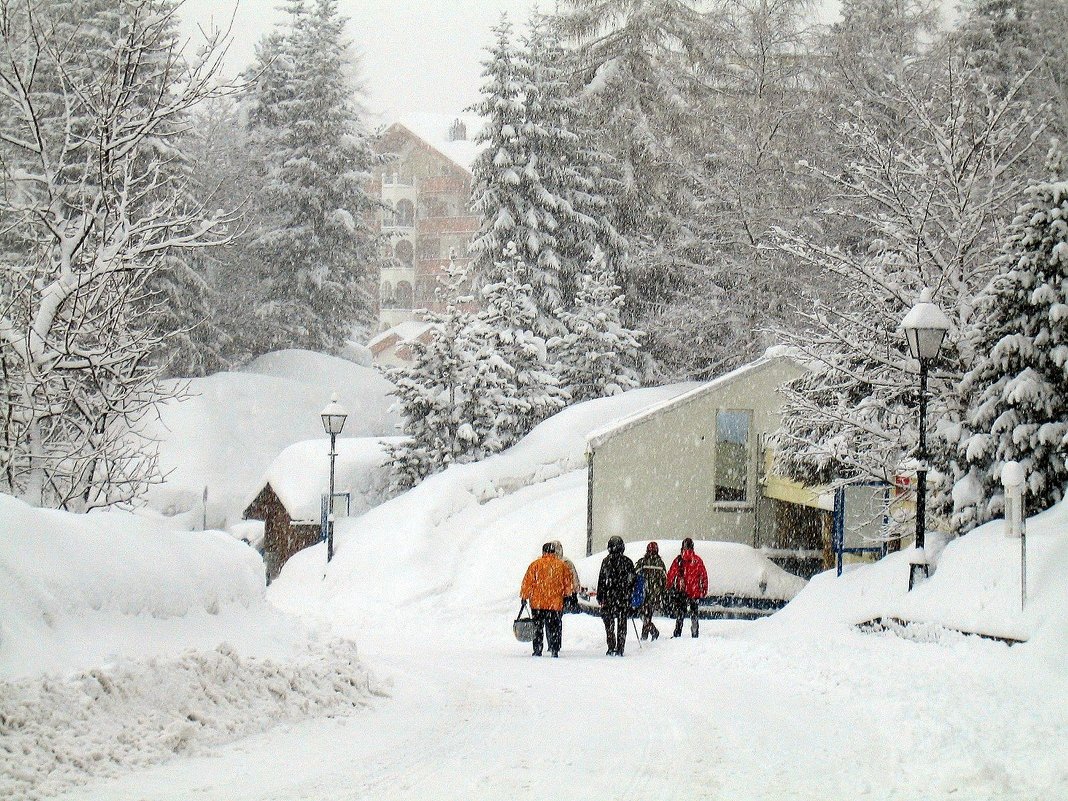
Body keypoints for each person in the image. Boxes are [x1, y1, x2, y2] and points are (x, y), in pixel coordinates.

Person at [520, 542, 573, 657]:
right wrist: (568, 596)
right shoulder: (561, 565)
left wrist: (524, 596)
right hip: (555, 603)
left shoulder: (535, 565)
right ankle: (555, 648)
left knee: (538, 627)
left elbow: (527, 582)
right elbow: (567, 583)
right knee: (555, 626)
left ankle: (538, 649)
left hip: (537, 603)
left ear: (543, 551)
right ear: (554, 552)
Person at [597, 535, 635, 656]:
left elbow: (601, 580)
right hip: (623, 597)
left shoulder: (606, 561)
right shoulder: (627, 562)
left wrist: (600, 595)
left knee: (609, 623)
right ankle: (620, 648)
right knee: (622, 622)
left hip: (609, 597)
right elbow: (632, 580)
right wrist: (629, 592)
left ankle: (611, 645)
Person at [666, 537, 708, 638]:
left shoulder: (679, 560)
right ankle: (694, 632)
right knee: (694, 613)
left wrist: (668, 586)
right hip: (695, 591)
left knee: (680, 613)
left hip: (682, 591)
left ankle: (677, 632)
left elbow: (671, 574)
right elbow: (704, 576)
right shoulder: (697, 560)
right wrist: (704, 589)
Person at [634, 541, 666, 640]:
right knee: (648, 614)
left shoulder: (642, 562)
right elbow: (664, 580)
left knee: (643, 614)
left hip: (644, 593)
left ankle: (652, 631)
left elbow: (635, 576)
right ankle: (645, 635)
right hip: (655, 594)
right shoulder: (660, 563)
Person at [551, 540, 582, 613]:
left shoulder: (547, 563)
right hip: (566, 594)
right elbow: (574, 578)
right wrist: (575, 590)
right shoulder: (567, 562)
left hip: (554, 595)